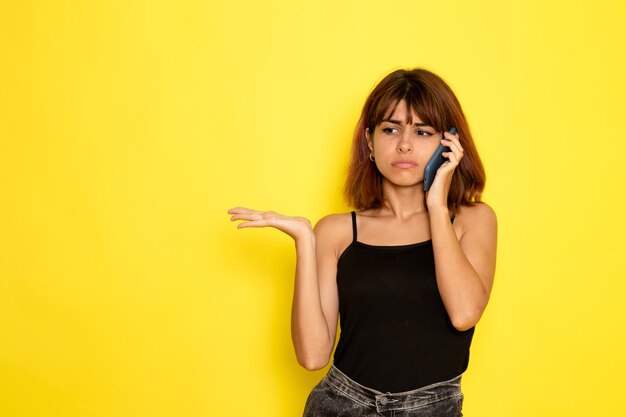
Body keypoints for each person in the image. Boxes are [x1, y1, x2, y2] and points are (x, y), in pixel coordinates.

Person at [228, 68, 497, 417]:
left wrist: (436, 204)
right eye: (390, 129)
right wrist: (306, 242)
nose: (404, 144)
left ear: (449, 142)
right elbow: (312, 356)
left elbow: (464, 314)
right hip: (341, 406)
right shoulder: (337, 232)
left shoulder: (472, 220)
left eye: (422, 131)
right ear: (370, 140)